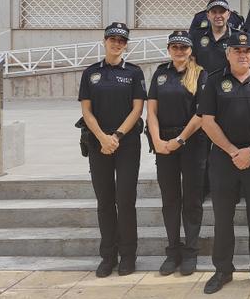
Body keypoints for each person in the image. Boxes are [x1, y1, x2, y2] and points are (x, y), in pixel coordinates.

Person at [198, 31, 250, 294]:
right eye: (237, 51)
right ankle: (223, 270)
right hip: (223, 160)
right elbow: (206, 121)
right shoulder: (213, 81)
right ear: (228, 53)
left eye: (247, 51)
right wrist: (234, 151)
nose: (243, 55)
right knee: (223, 217)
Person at [78, 22, 146, 278]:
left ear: (126, 45)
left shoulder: (134, 73)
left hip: (126, 143)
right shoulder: (91, 73)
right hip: (98, 144)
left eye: (121, 41)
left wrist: (116, 136)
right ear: (104, 41)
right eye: (112, 39)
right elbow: (86, 110)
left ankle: (128, 256)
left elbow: (137, 109)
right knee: (105, 202)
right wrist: (102, 137)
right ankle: (108, 256)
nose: (117, 44)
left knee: (126, 201)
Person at [146, 31, 208, 276]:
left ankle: (191, 251)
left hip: (191, 142)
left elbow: (202, 113)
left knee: (192, 200)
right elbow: (151, 110)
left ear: (190, 50)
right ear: (169, 49)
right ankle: (173, 251)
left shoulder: (200, 74)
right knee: (170, 200)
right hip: (164, 144)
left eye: (184, 47)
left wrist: (179, 140)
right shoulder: (161, 74)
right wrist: (158, 141)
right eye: (175, 47)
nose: (179, 51)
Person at [190, 0, 236, 74]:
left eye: (222, 12)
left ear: (228, 14)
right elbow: (191, 61)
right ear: (208, 15)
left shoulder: (236, 36)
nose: (218, 16)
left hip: (227, 84)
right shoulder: (197, 35)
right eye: (214, 12)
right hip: (202, 83)